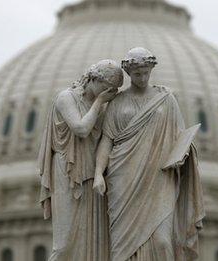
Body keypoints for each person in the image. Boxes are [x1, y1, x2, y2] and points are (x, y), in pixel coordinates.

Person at [93, 48, 205, 261]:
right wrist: (99, 174)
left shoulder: (166, 99)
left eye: (146, 73)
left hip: (160, 178)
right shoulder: (117, 102)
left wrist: (183, 154)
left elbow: (180, 138)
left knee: (163, 241)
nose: (142, 78)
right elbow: (107, 140)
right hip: (123, 180)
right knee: (120, 249)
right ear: (128, 73)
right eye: (137, 74)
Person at [38, 59, 123, 261]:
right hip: (68, 170)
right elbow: (81, 129)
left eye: (114, 89)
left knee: (93, 240)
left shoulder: (103, 106)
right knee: (64, 243)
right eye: (108, 87)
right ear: (93, 79)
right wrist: (100, 102)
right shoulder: (66, 97)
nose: (111, 92)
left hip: (93, 173)